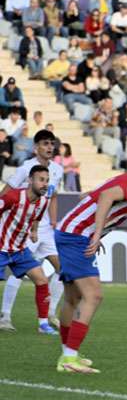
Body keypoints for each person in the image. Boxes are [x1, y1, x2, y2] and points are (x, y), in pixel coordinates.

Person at [54, 143, 127, 373]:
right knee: (94, 295)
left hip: (69, 231)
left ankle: (67, 354)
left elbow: (91, 195)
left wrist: (97, 231)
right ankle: (69, 359)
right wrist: (96, 234)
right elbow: (106, 196)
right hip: (76, 235)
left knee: (73, 298)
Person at [0, 130, 63, 333]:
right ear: (36, 147)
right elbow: (6, 193)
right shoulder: (26, 170)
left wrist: (50, 224)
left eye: (52, 144)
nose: (50, 147)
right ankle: (6, 316)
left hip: (36, 234)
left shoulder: (56, 171)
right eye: (45, 143)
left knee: (61, 270)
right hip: (13, 236)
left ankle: (48, 316)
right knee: (17, 275)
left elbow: (51, 199)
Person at [0, 165, 53, 335]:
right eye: (41, 180)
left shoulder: (44, 202)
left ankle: (43, 324)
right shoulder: (13, 196)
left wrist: (35, 231)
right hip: (1, 248)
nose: (45, 184)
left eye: (47, 181)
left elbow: (36, 218)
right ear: (30, 180)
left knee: (42, 280)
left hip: (20, 251)